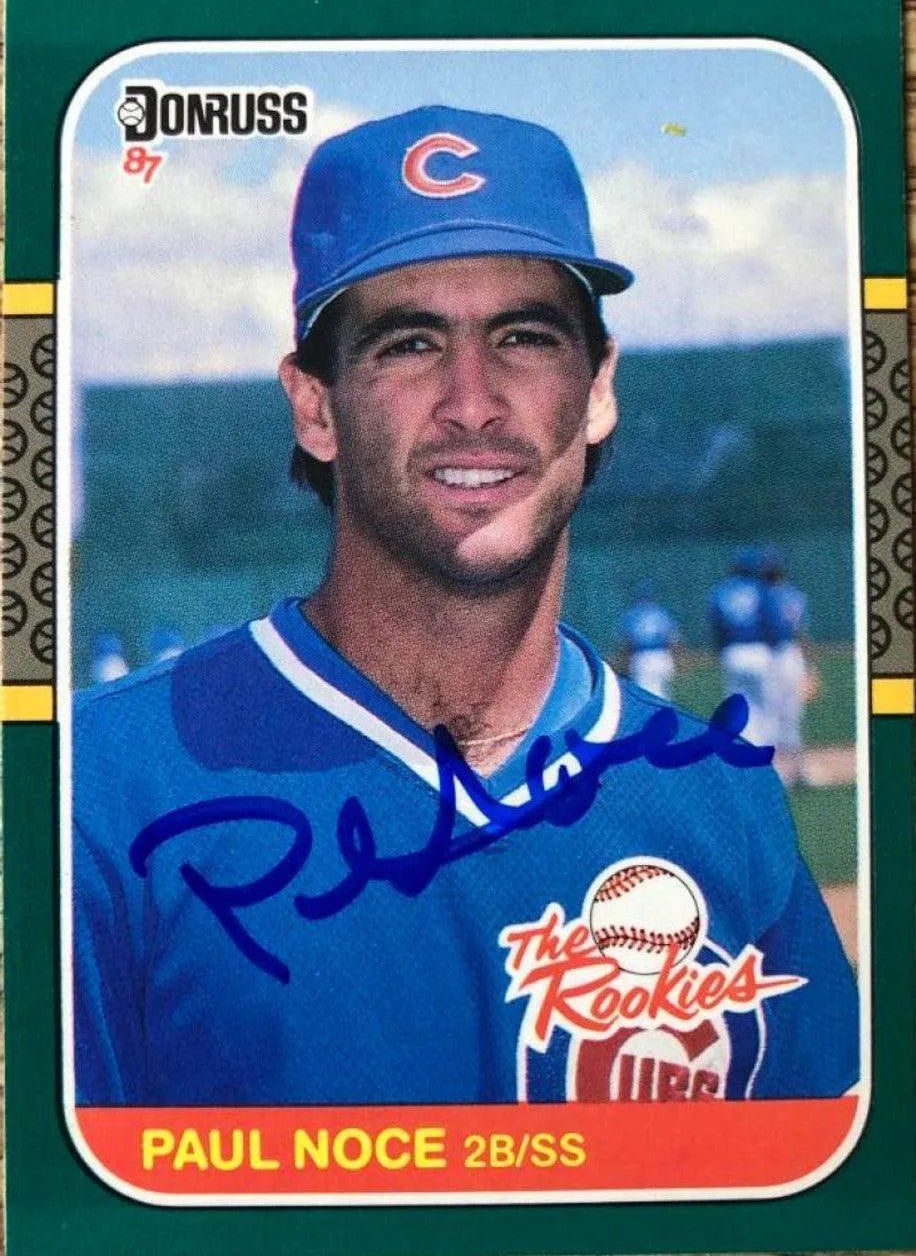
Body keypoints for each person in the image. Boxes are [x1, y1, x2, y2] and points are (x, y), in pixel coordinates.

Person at [73, 106, 858, 1109]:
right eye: (409, 343)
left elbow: (827, 1176)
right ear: (315, 407)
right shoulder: (100, 788)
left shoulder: (723, 801)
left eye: (524, 336)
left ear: (599, 389)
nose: (473, 401)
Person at [759, 546, 813, 786]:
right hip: (791, 656)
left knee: (771, 714)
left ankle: (780, 770)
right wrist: (810, 666)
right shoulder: (795, 595)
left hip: (772, 656)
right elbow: (803, 633)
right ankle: (797, 770)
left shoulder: (760, 596)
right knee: (789, 714)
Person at [707, 547, 772, 746]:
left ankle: (743, 747)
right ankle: (765, 748)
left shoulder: (720, 591)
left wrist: (720, 651)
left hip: (733, 652)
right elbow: (771, 620)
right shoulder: (762, 588)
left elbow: (716, 625)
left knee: (737, 706)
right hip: (759, 650)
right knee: (765, 704)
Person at [618, 586, 679, 700]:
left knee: (646, 697)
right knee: (664, 696)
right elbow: (673, 638)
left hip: (642, 657)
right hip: (662, 656)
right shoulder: (661, 612)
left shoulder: (633, 614)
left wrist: (624, 662)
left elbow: (627, 642)